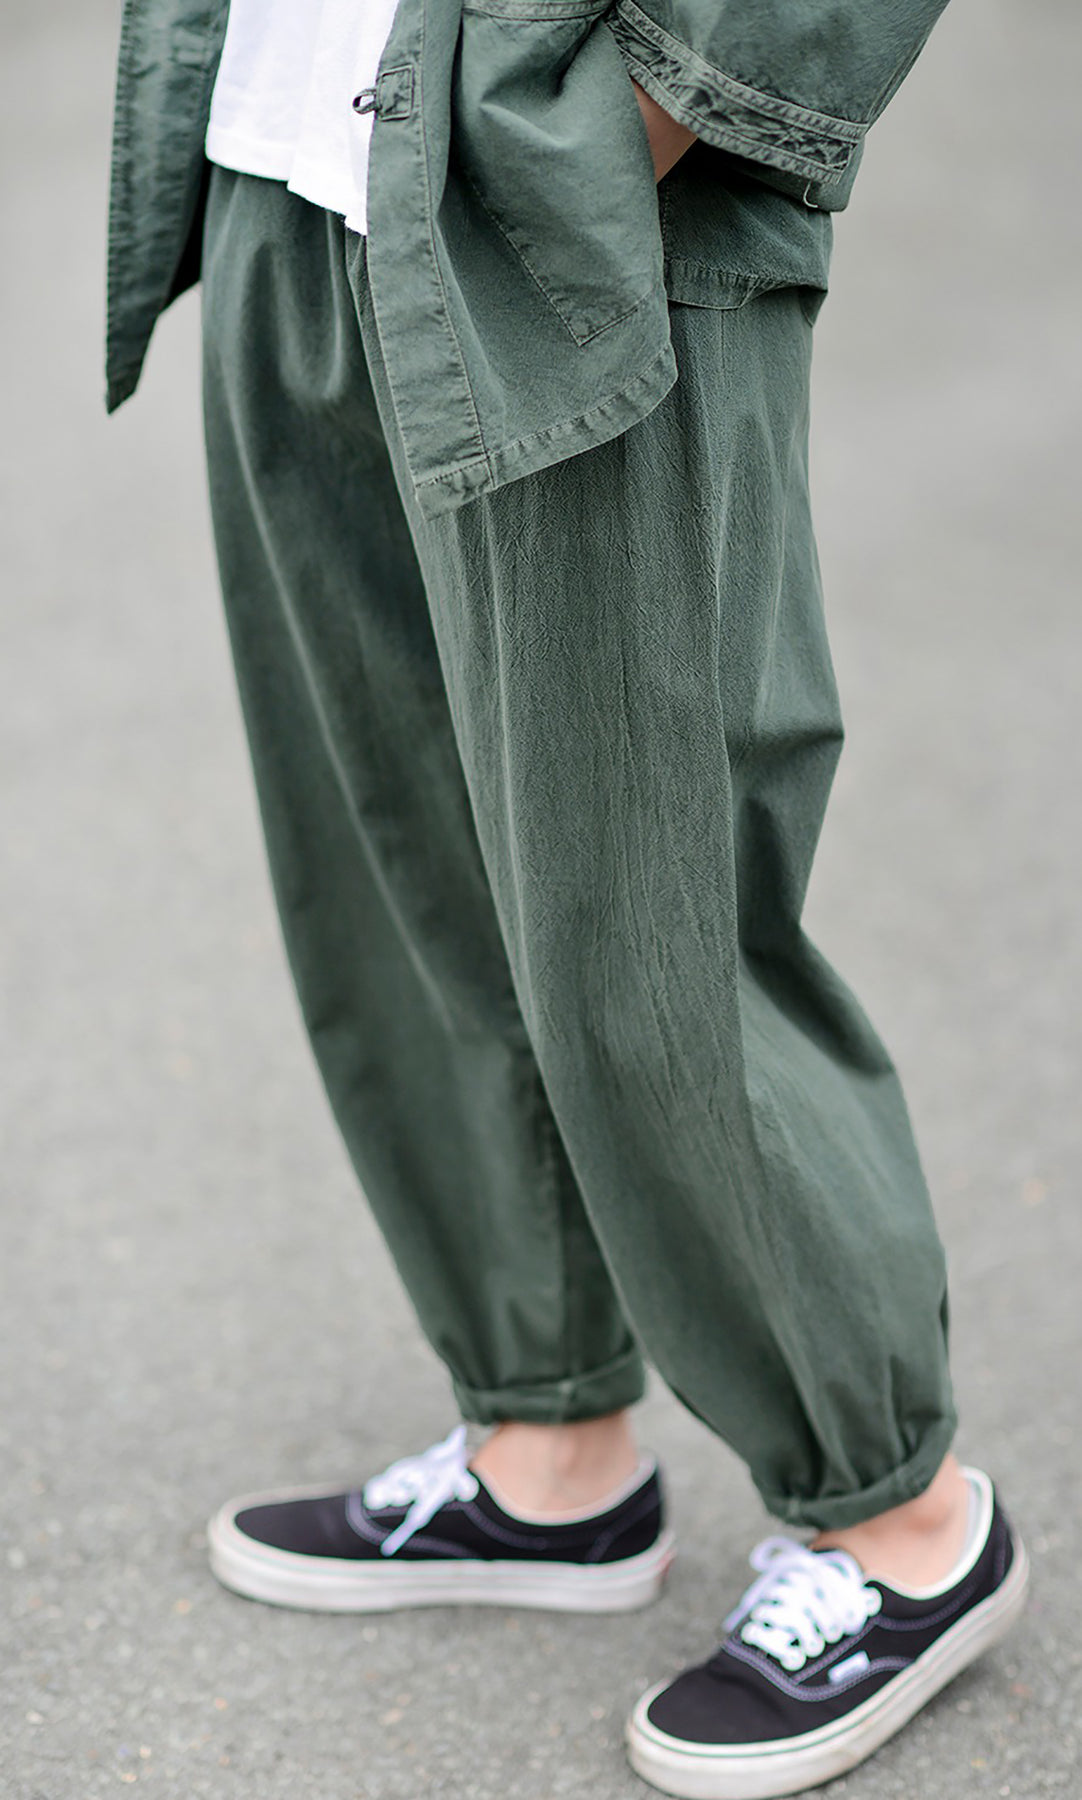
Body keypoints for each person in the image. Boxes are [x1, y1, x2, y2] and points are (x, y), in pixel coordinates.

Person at [105, 0, 1028, 1793]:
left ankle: (901, 1522)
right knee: (402, 862)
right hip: (291, 157)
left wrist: (669, 105)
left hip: (559, 169)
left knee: (650, 902)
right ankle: (550, 1447)